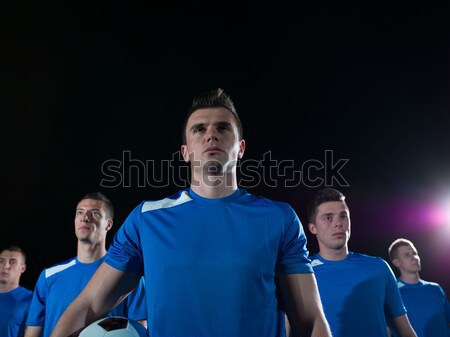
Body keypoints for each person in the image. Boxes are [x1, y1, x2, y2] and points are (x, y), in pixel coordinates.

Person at [49, 88, 331, 337]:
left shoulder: (278, 218)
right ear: (185, 152)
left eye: (223, 128)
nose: (211, 134)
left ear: (240, 147)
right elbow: (89, 305)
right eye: (199, 129)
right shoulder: (146, 219)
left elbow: (309, 321)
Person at [25, 192, 147, 337]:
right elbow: (32, 333)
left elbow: (137, 329)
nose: (85, 218)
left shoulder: (127, 274)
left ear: (108, 224)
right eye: (80, 212)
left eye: (95, 213)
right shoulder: (48, 276)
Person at [306, 188, 417, 337]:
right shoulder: (303, 273)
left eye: (343, 216)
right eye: (328, 218)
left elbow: (405, 331)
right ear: (313, 228)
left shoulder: (378, 268)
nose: (338, 223)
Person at [387, 238, 450, 337]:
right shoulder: (392, 293)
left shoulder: (435, 289)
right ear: (396, 262)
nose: (414, 257)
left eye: (415, 253)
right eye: (407, 255)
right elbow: (386, 331)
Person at [0, 245, 33, 337]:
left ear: (22, 268)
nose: (6, 266)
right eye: (1, 261)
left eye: (12, 262)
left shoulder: (31, 300)